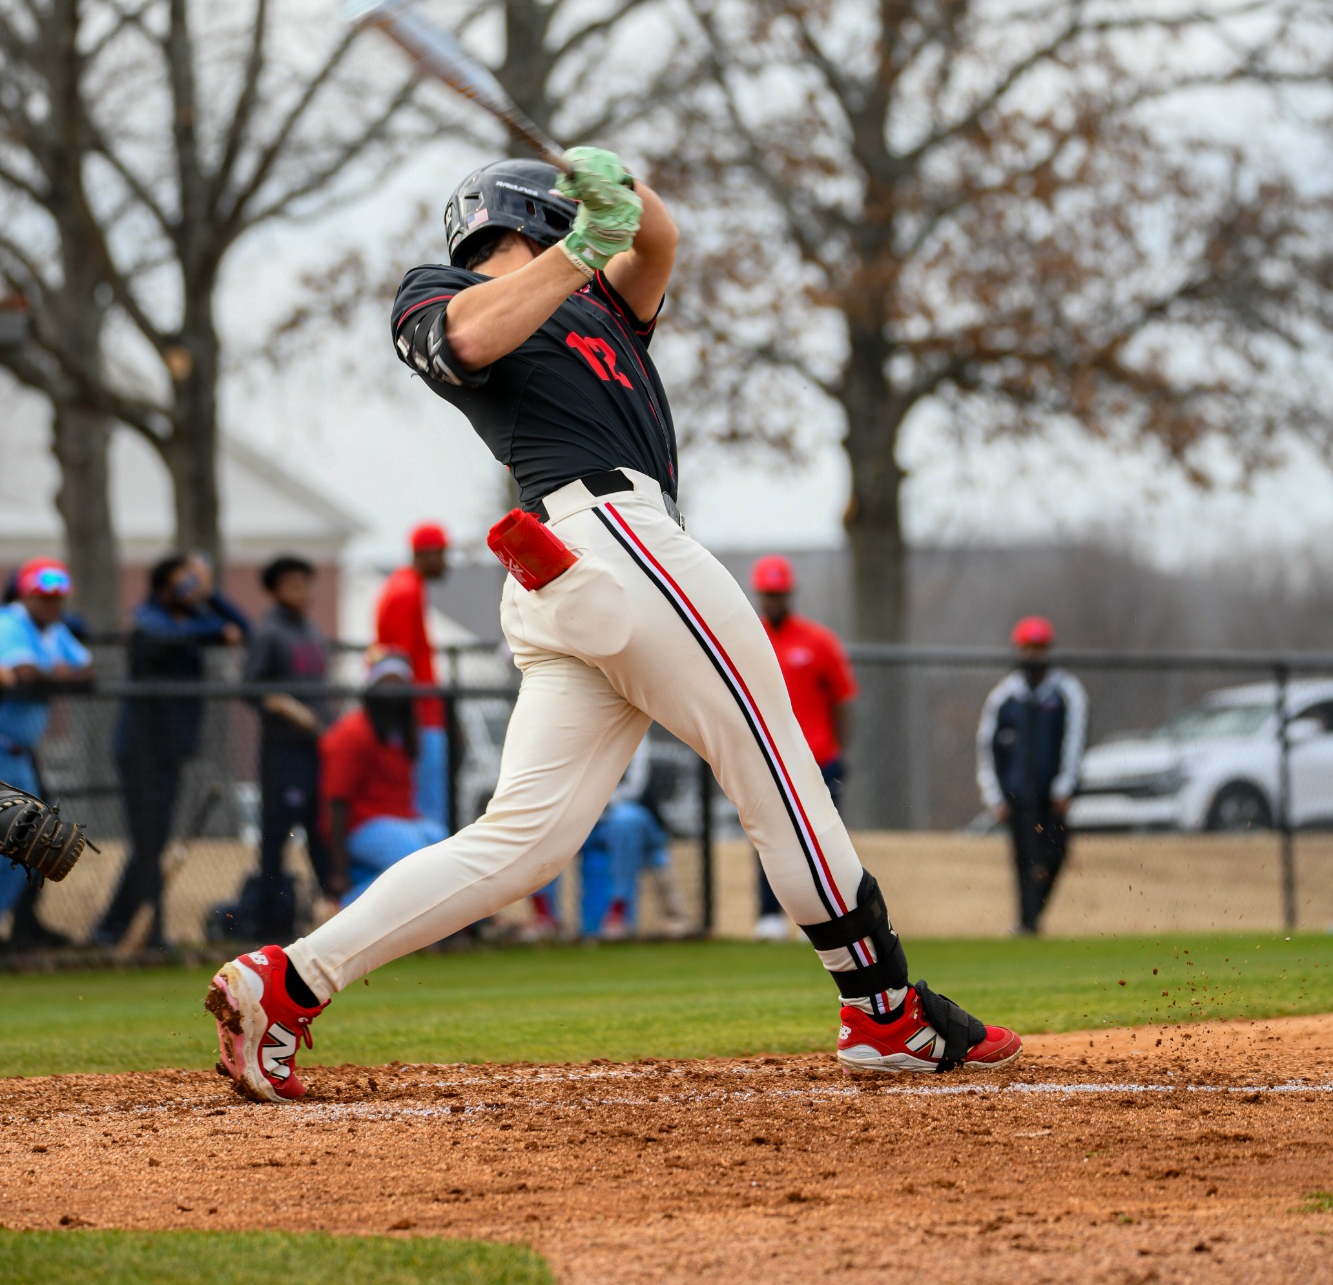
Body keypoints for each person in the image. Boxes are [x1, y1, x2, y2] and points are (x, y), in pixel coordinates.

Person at [208, 149, 1019, 1099]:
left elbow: (659, 239)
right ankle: (883, 1011)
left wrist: (619, 184)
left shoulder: (599, 305)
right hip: (608, 541)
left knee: (525, 842)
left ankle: (288, 982)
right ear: (538, 221)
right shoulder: (442, 287)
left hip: (588, 573)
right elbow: (466, 339)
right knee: (775, 767)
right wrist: (577, 243)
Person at [95, 553, 249, 950]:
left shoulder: (196, 618)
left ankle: (116, 924)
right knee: (148, 840)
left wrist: (211, 595)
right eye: (185, 581)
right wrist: (212, 629)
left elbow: (243, 629)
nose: (191, 588)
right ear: (166, 585)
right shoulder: (150, 618)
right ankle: (142, 930)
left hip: (172, 749)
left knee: (154, 841)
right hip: (140, 748)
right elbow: (162, 636)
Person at [748, 554, 858, 942]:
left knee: (825, 839)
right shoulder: (749, 638)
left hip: (820, 759)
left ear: (788, 593)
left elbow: (843, 699)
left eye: (779, 593)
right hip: (771, 760)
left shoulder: (819, 641)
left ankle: (830, 915)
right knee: (771, 837)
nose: (773, 600)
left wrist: (838, 751)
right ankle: (769, 916)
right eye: (767, 594)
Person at [0, 559, 93, 947]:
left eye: (57, 598)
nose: (52, 605)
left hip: (20, 754)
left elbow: (88, 674)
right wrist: (54, 672)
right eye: (43, 597)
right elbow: (23, 675)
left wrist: (46, 671)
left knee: (29, 844)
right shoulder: (9, 623)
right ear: (24, 594)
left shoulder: (53, 631)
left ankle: (11, 926)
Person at [976, 615, 1088, 936]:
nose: (1033, 655)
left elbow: (1074, 741)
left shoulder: (1067, 692)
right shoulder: (1004, 697)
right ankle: (1028, 924)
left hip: (1053, 796)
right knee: (1025, 859)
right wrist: (994, 795)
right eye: (1028, 647)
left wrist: (1066, 786)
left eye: (1039, 647)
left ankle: (1031, 915)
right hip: (1017, 796)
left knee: (1055, 852)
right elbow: (987, 747)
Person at [244, 555, 334, 937]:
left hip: (317, 748)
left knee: (320, 829)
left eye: (305, 583)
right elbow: (251, 687)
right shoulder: (269, 633)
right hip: (283, 752)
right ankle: (271, 920)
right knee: (277, 835)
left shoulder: (311, 631)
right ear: (276, 590)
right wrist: (289, 708)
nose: (302, 592)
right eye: (293, 584)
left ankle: (328, 908)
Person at [319, 652, 446, 905]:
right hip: (364, 824)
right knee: (415, 858)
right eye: (387, 682)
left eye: (400, 682)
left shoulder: (406, 729)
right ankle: (345, 906)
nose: (394, 691)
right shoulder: (353, 732)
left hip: (406, 819)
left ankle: (463, 926)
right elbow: (336, 803)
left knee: (448, 846)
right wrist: (339, 870)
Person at [375, 524, 450, 830]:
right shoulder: (406, 590)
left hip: (420, 714)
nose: (446, 562)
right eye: (442, 554)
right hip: (419, 717)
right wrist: (410, 721)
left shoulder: (404, 585)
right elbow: (399, 664)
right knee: (428, 814)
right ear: (425, 554)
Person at [579, 738, 686, 940]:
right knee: (542, 821)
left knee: (626, 822)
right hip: (583, 818)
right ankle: (545, 917)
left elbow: (635, 787)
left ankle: (618, 911)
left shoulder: (637, 734)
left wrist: (596, 806)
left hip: (631, 820)